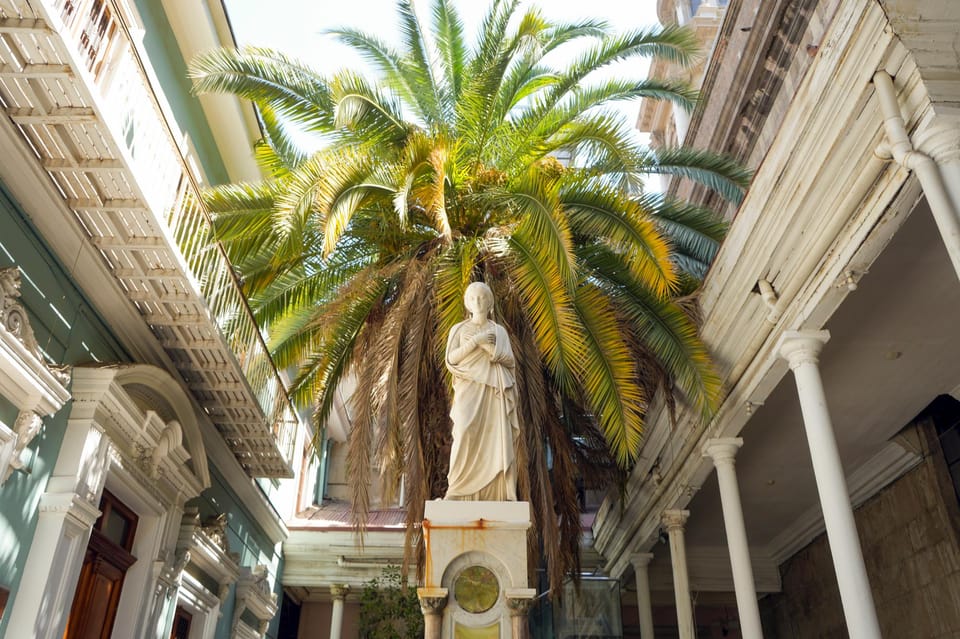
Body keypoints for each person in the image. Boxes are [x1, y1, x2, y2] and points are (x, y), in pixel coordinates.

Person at [443, 282, 519, 501]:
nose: (478, 301)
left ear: (490, 302)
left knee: (497, 436)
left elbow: (508, 360)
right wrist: (476, 341)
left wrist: (487, 347)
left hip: (494, 389)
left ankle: (502, 492)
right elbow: (451, 359)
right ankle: (456, 489)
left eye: (482, 297)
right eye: (473, 298)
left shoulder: (499, 331)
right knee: (464, 430)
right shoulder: (458, 329)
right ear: (467, 303)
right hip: (468, 388)